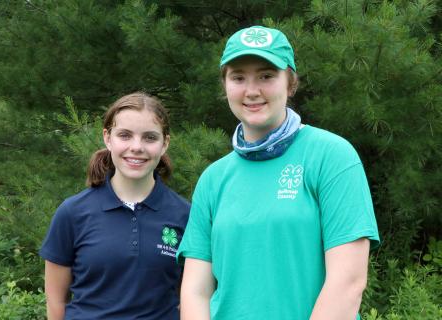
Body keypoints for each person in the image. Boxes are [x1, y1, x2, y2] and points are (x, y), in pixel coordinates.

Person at [177, 26, 380, 320]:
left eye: (266, 75)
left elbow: (347, 283)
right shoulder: (213, 179)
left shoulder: (332, 156)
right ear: (225, 85)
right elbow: (196, 291)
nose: (251, 90)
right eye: (238, 77)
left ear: (290, 82)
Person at [39, 92, 190, 320]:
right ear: (108, 138)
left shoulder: (185, 215)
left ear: (165, 143)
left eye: (150, 137)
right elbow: (56, 301)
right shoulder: (72, 213)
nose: (137, 147)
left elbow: (191, 298)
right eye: (125, 135)